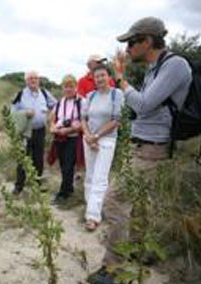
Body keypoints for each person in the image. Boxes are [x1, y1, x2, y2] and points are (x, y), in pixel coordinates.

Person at [87, 17, 192, 284]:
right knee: (141, 207)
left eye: (132, 42)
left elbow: (143, 104)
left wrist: (120, 78)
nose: (129, 48)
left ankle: (112, 268)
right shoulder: (153, 69)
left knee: (113, 200)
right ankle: (138, 253)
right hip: (142, 148)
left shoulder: (175, 65)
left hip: (152, 150)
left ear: (147, 41)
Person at [81, 65, 124, 231]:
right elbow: (83, 119)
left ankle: (93, 216)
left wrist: (97, 136)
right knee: (90, 175)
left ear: (108, 77)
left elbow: (116, 121)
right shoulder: (90, 96)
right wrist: (88, 136)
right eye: (96, 76)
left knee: (100, 176)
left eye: (102, 75)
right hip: (89, 140)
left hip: (106, 140)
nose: (99, 79)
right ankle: (91, 208)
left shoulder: (116, 94)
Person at [11, 71, 57, 194]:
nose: (33, 80)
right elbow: (12, 112)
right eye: (30, 78)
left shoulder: (45, 93)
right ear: (26, 80)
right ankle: (19, 186)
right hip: (25, 132)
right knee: (23, 158)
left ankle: (37, 184)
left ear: (39, 80)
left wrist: (51, 115)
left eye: (35, 78)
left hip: (40, 130)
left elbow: (56, 105)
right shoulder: (20, 94)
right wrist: (24, 113)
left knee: (38, 158)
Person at [49, 75, 82, 203]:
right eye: (66, 86)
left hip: (73, 138)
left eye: (71, 86)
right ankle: (69, 189)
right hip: (59, 138)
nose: (68, 89)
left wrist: (69, 130)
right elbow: (52, 117)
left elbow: (84, 122)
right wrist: (53, 127)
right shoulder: (60, 102)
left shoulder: (81, 102)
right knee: (63, 166)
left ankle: (62, 195)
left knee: (68, 166)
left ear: (76, 87)